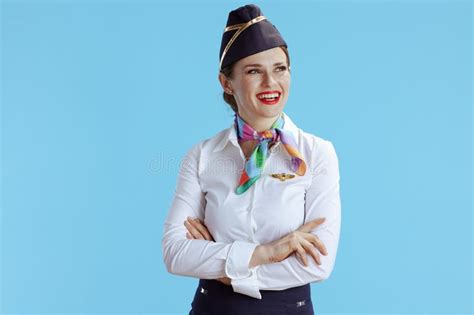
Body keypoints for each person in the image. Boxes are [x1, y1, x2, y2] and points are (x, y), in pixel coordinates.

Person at [161, 4, 341, 314]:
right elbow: (175, 253)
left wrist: (226, 269)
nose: (271, 83)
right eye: (254, 71)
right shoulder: (202, 156)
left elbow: (318, 264)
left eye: (280, 68)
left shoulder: (317, 154)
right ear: (226, 83)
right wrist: (266, 253)